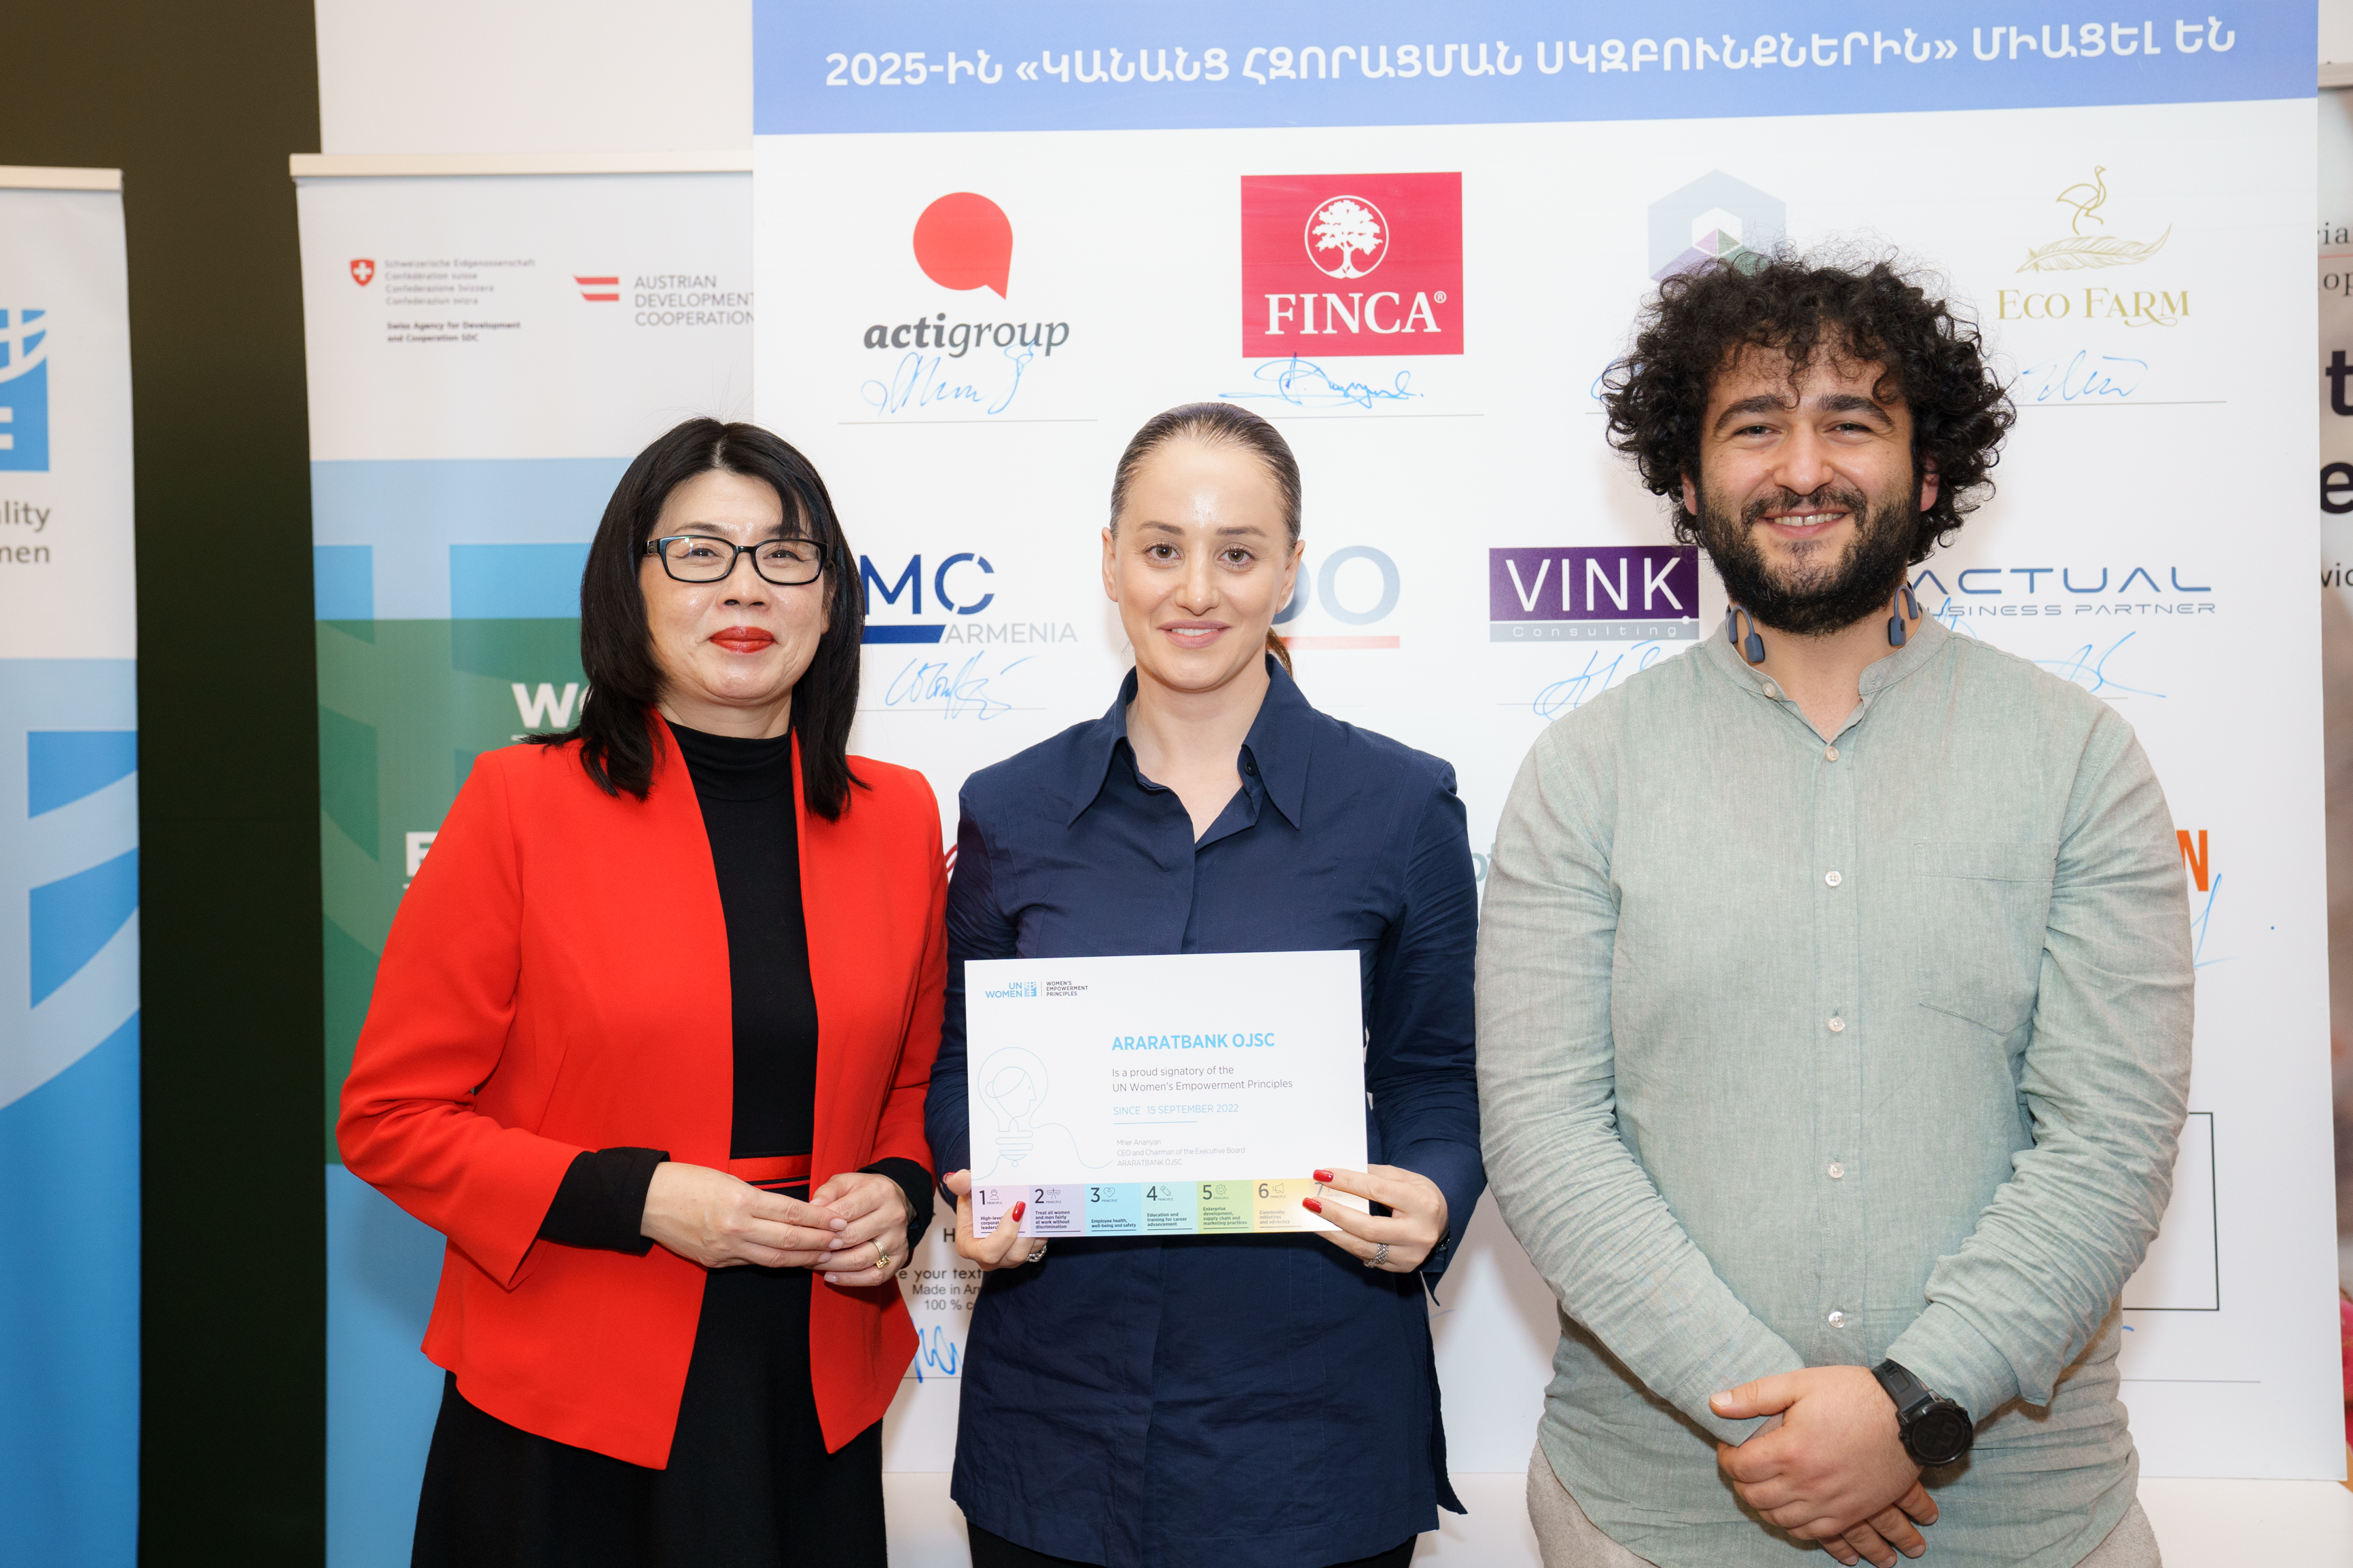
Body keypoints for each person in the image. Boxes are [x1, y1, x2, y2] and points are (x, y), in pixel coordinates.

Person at [1477, 255, 2191, 1568]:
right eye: (1755, 425)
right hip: (1655, 1518)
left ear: (1927, 473)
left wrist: (1912, 1406)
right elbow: (1546, 1136)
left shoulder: (2080, 758)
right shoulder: (1584, 773)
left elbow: (2111, 1142)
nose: (1802, 468)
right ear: (1687, 479)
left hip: (2025, 1523)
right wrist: (1787, 1425)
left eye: (1851, 422)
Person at [337, 418, 948, 1567]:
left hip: (808, 1386)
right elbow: (390, 1119)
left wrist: (902, 1190)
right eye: (700, 552)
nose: (745, 587)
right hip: (572, 1397)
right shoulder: (521, 803)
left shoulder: (898, 816)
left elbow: (915, 1082)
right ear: (633, 586)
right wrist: (640, 1196)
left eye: (785, 554)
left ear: (830, 599)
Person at [924, 403, 1483, 1568]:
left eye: (1237, 553)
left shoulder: (1401, 805)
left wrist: (1432, 1193)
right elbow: (965, 1057)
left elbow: (1435, 1071)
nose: (1196, 589)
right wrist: (983, 1178)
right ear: (1109, 562)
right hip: (1056, 1427)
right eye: (1161, 547)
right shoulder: (1009, 808)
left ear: (1291, 570)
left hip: (1316, 1429)